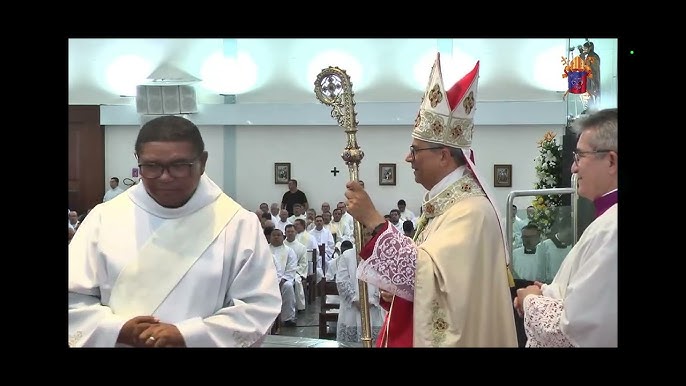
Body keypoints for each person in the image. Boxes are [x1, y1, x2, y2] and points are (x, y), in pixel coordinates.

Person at [345, 53, 517, 347]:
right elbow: (433, 280)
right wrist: (400, 293)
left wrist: (373, 220)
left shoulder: (471, 211)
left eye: (415, 150)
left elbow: (430, 278)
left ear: (443, 155)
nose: (408, 158)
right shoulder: (447, 206)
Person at [68, 115, 282, 348]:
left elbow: (258, 306)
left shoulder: (238, 224)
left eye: (179, 166)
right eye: (151, 166)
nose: (165, 177)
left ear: (203, 162)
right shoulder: (103, 219)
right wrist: (118, 330)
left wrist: (188, 336)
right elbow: (74, 299)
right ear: (138, 161)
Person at [514, 108, 617, 347]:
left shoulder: (611, 230)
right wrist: (549, 292)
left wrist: (530, 300)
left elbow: (573, 331)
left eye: (580, 157)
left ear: (611, 161)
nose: (573, 168)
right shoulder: (606, 221)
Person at [335, 241, 386, 344]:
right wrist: (354, 299)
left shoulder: (382, 254)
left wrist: (374, 300)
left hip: (374, 308)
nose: (366, 237)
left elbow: (385, 280)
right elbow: (342, 281)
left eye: (369, 234)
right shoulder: (347, 256)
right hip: (352, 309)